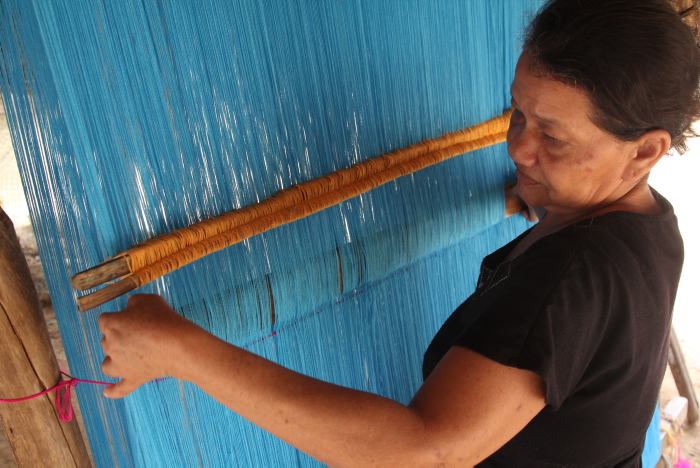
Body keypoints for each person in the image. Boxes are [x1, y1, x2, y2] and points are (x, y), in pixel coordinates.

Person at [98, 0, 699, 466]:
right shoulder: (649, 224)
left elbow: (425, 452)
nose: (517, 144)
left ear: (645, 150)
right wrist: (541, 190)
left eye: (552, 135)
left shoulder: (573, 276)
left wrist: (181, 350)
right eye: (517, 113)